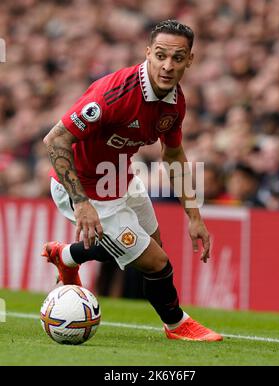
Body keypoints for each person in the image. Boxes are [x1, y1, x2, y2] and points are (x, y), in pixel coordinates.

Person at [42, 20, 222, 342]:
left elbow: (173, 156)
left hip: (121, 179)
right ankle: (177, 325)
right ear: (148, 53)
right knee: (155, 262)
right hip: (82, 187)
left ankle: (67, 255)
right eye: (161, 55)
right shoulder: (114, 94)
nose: (168, 66)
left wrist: (195, 217)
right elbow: (55, 140)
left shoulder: (175, 102)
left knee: (151, 249)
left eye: (178, 58)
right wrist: (81, 202)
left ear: (190, 60)